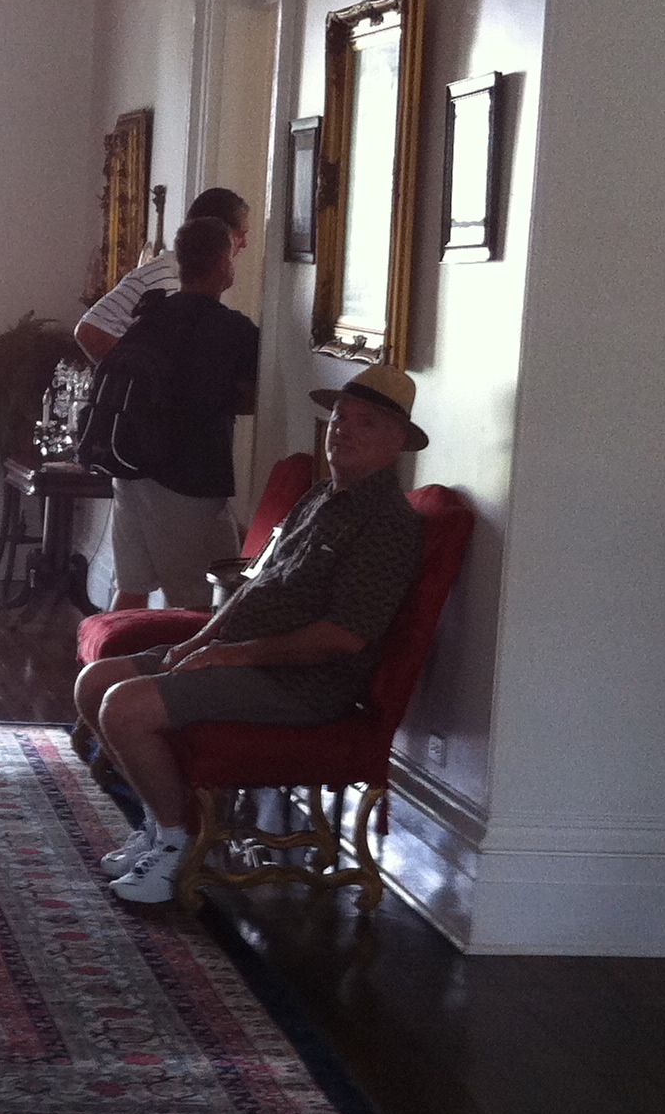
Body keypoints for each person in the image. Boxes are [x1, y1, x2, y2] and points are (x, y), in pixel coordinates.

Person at [76, 363, 430, 905]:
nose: (344, 430)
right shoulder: (318, 497)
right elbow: (254, 586)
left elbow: (343, 636)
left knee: (125, 706)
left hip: (301, 684)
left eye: (367, 423)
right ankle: (161, 823)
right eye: (340, 417)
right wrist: (201, 642)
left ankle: (177, 848)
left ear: (397, 441)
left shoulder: (387, 524)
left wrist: (232, 656)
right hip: (239, 656)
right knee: (95, 682)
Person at [91, 215, 261, 611]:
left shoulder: (149, 317)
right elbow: (254, 398)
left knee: (131, 588)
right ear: (222, 261)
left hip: (131, 469)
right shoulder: (232, 329)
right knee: (202, 602)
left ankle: (109, 652)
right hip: (189, 479)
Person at [71, 186, 253, 367]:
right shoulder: (162, 275)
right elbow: (88, 331)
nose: (244, 244)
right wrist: (136, 372)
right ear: (217, 232)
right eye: (241, 234)